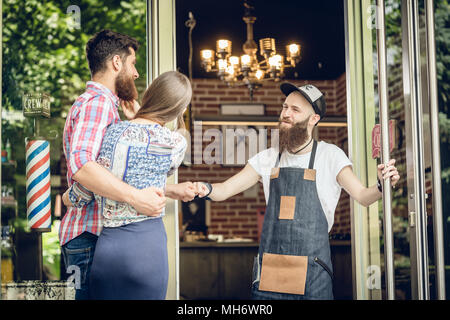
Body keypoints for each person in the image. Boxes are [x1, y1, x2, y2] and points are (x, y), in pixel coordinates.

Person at [195, 83, 400, 300]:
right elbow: (225, 189)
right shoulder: (268, 158)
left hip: (314, 272)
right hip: (271, 274)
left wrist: (381, 185)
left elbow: (363, 196)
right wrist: (204, 188)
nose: (286, 114)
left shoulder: (330, 156)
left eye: (295, 110)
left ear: (314, 119)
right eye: (285, 107)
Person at [60, 30, 195, 300]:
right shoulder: (98, 104)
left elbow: (109, 170)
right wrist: (136, 198)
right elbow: (83, 166)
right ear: (117, 63)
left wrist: (168, 190)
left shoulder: (108, 108)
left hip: (96, 238)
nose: (135, 74)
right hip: (89, 235)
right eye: (133, 64)